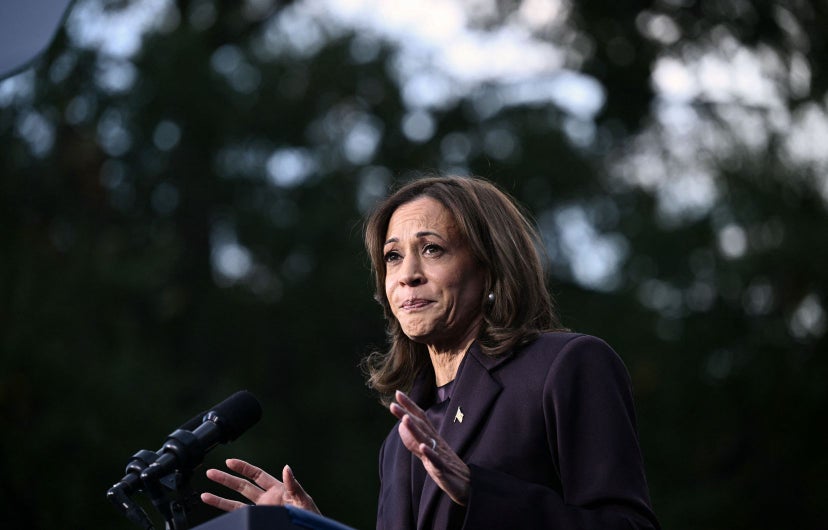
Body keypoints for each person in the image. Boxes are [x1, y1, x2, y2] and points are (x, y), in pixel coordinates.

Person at [200, 175, 660, 529]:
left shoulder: (565, 367)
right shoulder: (398, 442)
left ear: (491, 268)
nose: (407, 275)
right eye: (393, 257)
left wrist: (478, 492)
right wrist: (310, 526)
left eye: (433, 250)